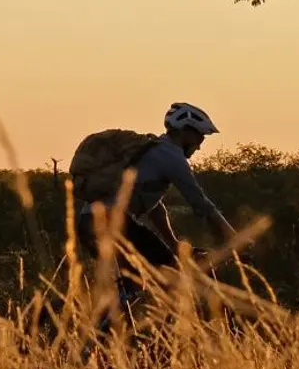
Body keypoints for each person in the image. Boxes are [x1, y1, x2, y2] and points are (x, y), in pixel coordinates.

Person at [70, 101, 235, 286]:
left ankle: (88, 311)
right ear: (185, 131)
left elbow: (155, 208)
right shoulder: (171, 156)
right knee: (171, 270)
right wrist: (234, 237)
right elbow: (200, 203)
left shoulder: (153, 151)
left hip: (88, 222)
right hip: (113, 222)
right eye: (199, 137)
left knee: (131, 282)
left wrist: (173, 243)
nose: (199, 146)